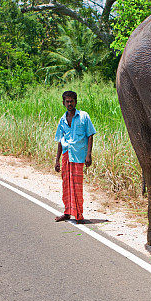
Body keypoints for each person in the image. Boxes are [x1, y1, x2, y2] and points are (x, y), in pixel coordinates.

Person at [54, 90, 96, 224]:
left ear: (75, 102)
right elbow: (60, 141)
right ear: (63, 103)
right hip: (66, 156)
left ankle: (79, 215)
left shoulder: (84, 116)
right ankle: (67, 212)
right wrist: (57, 160)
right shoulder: (62, 120)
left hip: (78, 156)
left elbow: (90, 135)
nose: (69, 103)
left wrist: (88, 155)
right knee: (66, 185)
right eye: (67, 101)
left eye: (72, 101)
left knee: (77, 186)